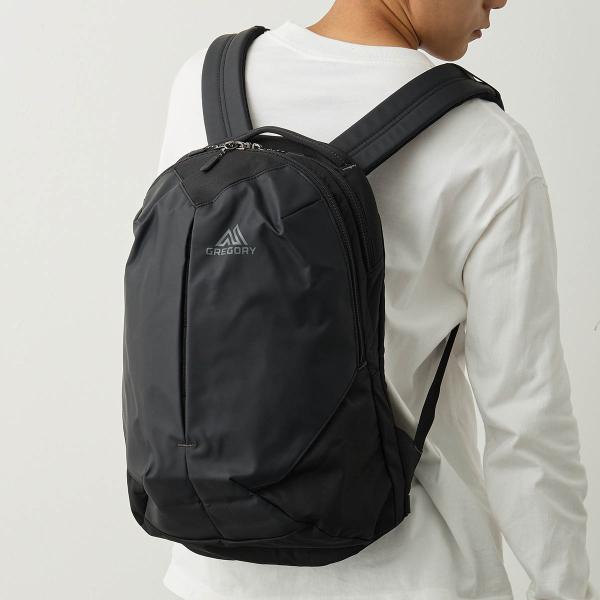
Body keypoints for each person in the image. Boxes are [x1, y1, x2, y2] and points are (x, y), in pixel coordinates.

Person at [157, 1, 597, 599]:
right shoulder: (484, 143)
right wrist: (564, 587)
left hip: (215, 572)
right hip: (418, 574)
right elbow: (526, 420)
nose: (502, 0)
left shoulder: (206, 83)